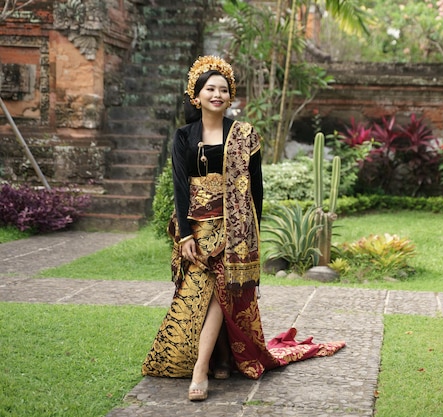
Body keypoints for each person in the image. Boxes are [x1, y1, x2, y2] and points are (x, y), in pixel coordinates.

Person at [141, 55, 346, 402]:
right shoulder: (183, 136)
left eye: (223, 89)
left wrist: (249, 235)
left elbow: (256, 190)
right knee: (193, 298)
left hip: (235, 230)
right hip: (196, 228)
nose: (217, 94)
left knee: (225, 290)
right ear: (197, 94)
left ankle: (201, 370)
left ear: (230, 95)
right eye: (210, 88)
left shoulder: (244, 135)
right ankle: (221, 357)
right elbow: (180, 186)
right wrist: (187, 234)